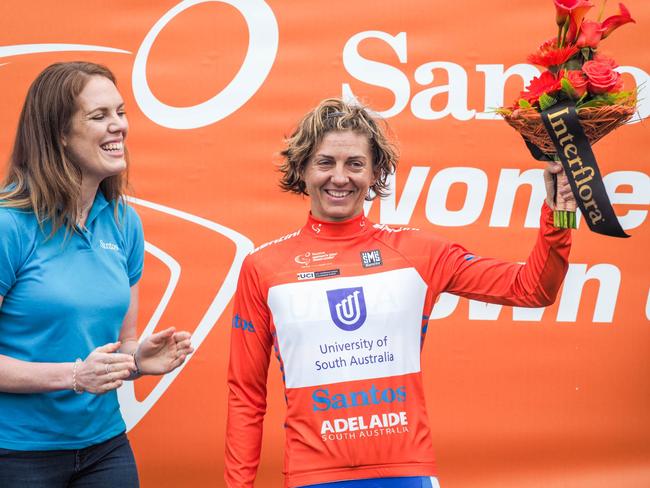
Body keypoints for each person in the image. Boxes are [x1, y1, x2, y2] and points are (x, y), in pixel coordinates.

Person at [225, 97, 574, 488]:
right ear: (302, 169)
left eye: (355, 164)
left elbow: (532, 289)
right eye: (325, 162)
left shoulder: (418, 252)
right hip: (313, 477)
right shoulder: (263, 267)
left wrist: (558, 214)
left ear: (375, 173)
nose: (340, 177)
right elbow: (246, 396)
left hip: (405, 474)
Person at [0, 61, 194, 487]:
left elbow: (118, 348)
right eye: (99, 116)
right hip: (16, 454)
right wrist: (71, 377)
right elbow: (81, 371)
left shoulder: (124, 222)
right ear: (60, 136)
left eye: (120, 113)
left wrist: (137, 360)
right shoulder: (9, 225)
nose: (118, 127)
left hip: (104, 447)